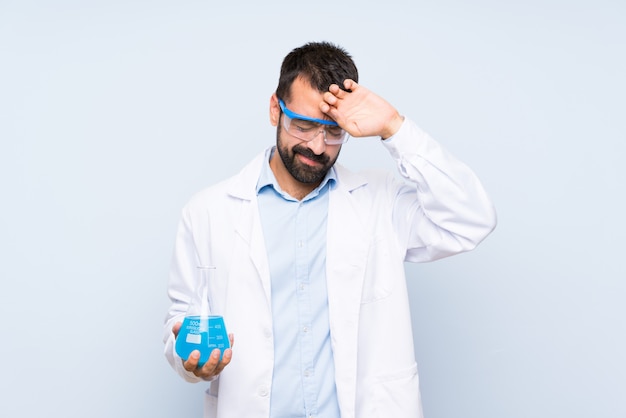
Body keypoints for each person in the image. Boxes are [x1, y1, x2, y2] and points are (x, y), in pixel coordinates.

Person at [163, 41, 497, 418]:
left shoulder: (379, 202)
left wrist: (395, 127)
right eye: (303, 125)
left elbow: (471, 219)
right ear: (276, 109)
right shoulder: (207, 211)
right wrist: (188, 361)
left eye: (334, 131)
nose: (317, 146)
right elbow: (181, 321)